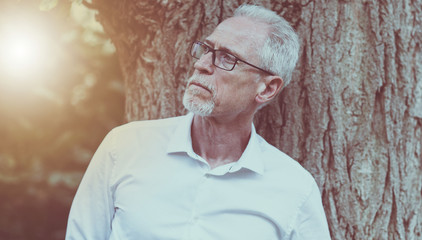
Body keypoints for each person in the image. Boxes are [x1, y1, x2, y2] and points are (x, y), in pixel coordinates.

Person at [66, 4, 331, 240]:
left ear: (267, 88)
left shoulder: (295, 189)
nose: (202, 64)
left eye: (228, 58)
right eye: (206, 50)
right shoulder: (123, 147)